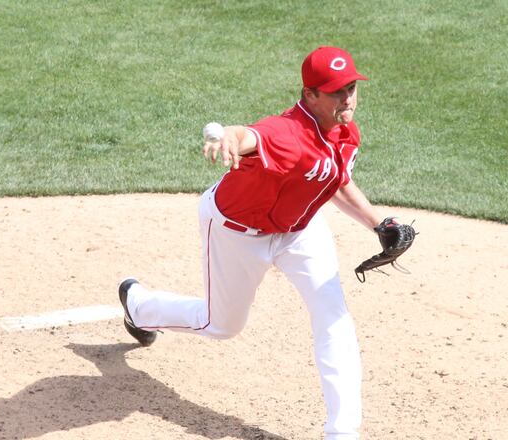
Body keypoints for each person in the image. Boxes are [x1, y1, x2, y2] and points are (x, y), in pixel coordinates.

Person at [118, 46, 387, 440]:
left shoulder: (346, 132)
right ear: (310, 94)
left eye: (350, 88)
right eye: (335, 91)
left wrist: (379, 224)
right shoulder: (286, 134)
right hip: (236, 231)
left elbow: (334, 179)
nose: (347, 98)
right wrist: (230, 136)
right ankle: (139, 306)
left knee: (334, 320)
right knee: (221, 325)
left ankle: (342, 434)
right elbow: (251, 136)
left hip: (299, 231)